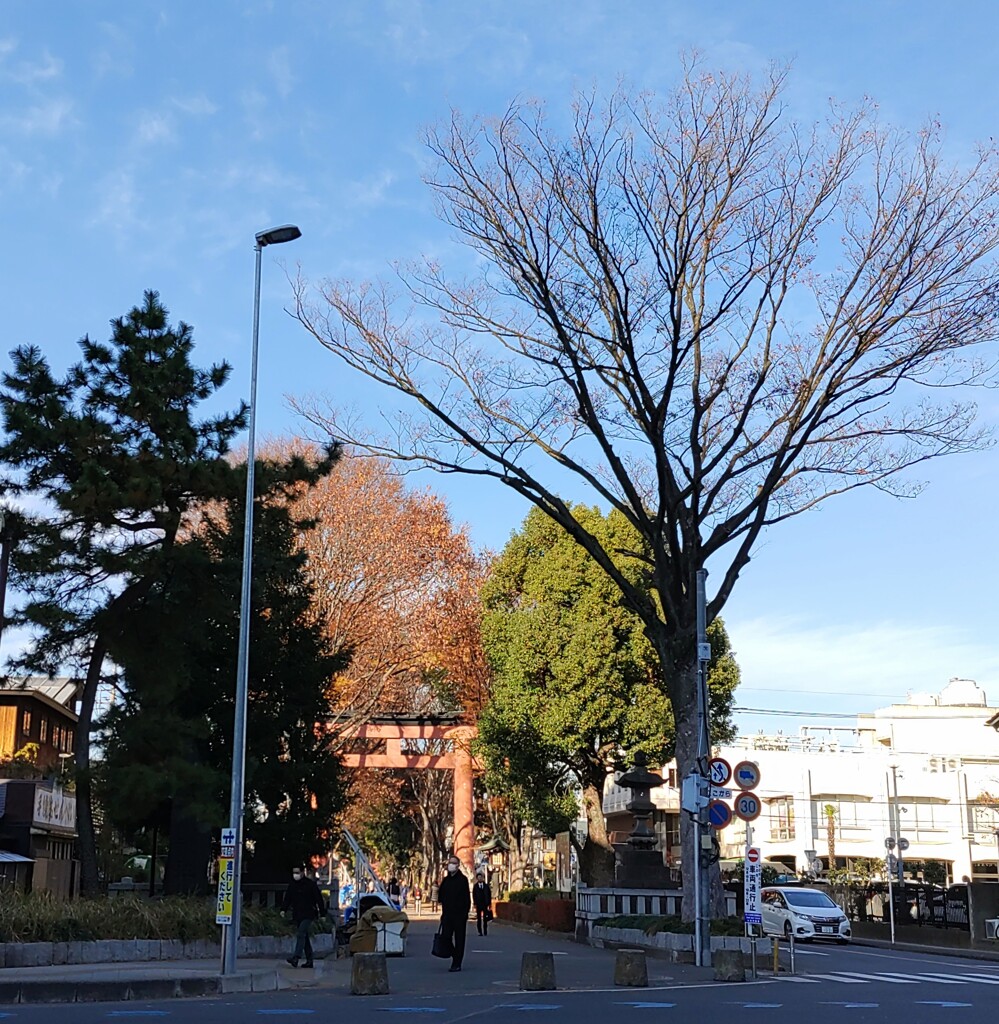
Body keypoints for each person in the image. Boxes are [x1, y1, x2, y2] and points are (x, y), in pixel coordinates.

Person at [281, 864, 327, 968]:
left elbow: (318, 899)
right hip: (297, 914)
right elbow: (287, 898)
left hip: (309, 913)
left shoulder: (310, 884)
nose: (295, 875)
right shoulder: (292, 885)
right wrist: (283, 909)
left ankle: (296, 957)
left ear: (302, 872)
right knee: (304, 937)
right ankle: (309, 960)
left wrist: (322, 914)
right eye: (294, 872)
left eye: (297, 872)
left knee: (301, 933)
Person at [437, 854, 471, 972]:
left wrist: (465, 913)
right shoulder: (446, 880)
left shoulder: (463, 880)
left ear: (457, 865)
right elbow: (440, 896)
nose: (451, 865)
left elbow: (466, 898)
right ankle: (455, 955)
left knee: (459, 939)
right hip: (447, 915)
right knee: (445, 937)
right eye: (450, 863)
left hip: (460, 915)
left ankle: (457, 963)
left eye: (453, 863)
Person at [472, 871, 493, 936]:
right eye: (478, 877)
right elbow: (474, 895)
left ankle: (485, 930)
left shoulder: (486, 886)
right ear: (477, 878)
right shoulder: (475, 887)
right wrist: (475, 904)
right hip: (478, 904)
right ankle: (480, 931)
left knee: (485, 918)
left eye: (481, 877)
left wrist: (489, 904)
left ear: (483, 878)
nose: (480, 878)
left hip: (485, 904)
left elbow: (489, 895)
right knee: (479, 918)